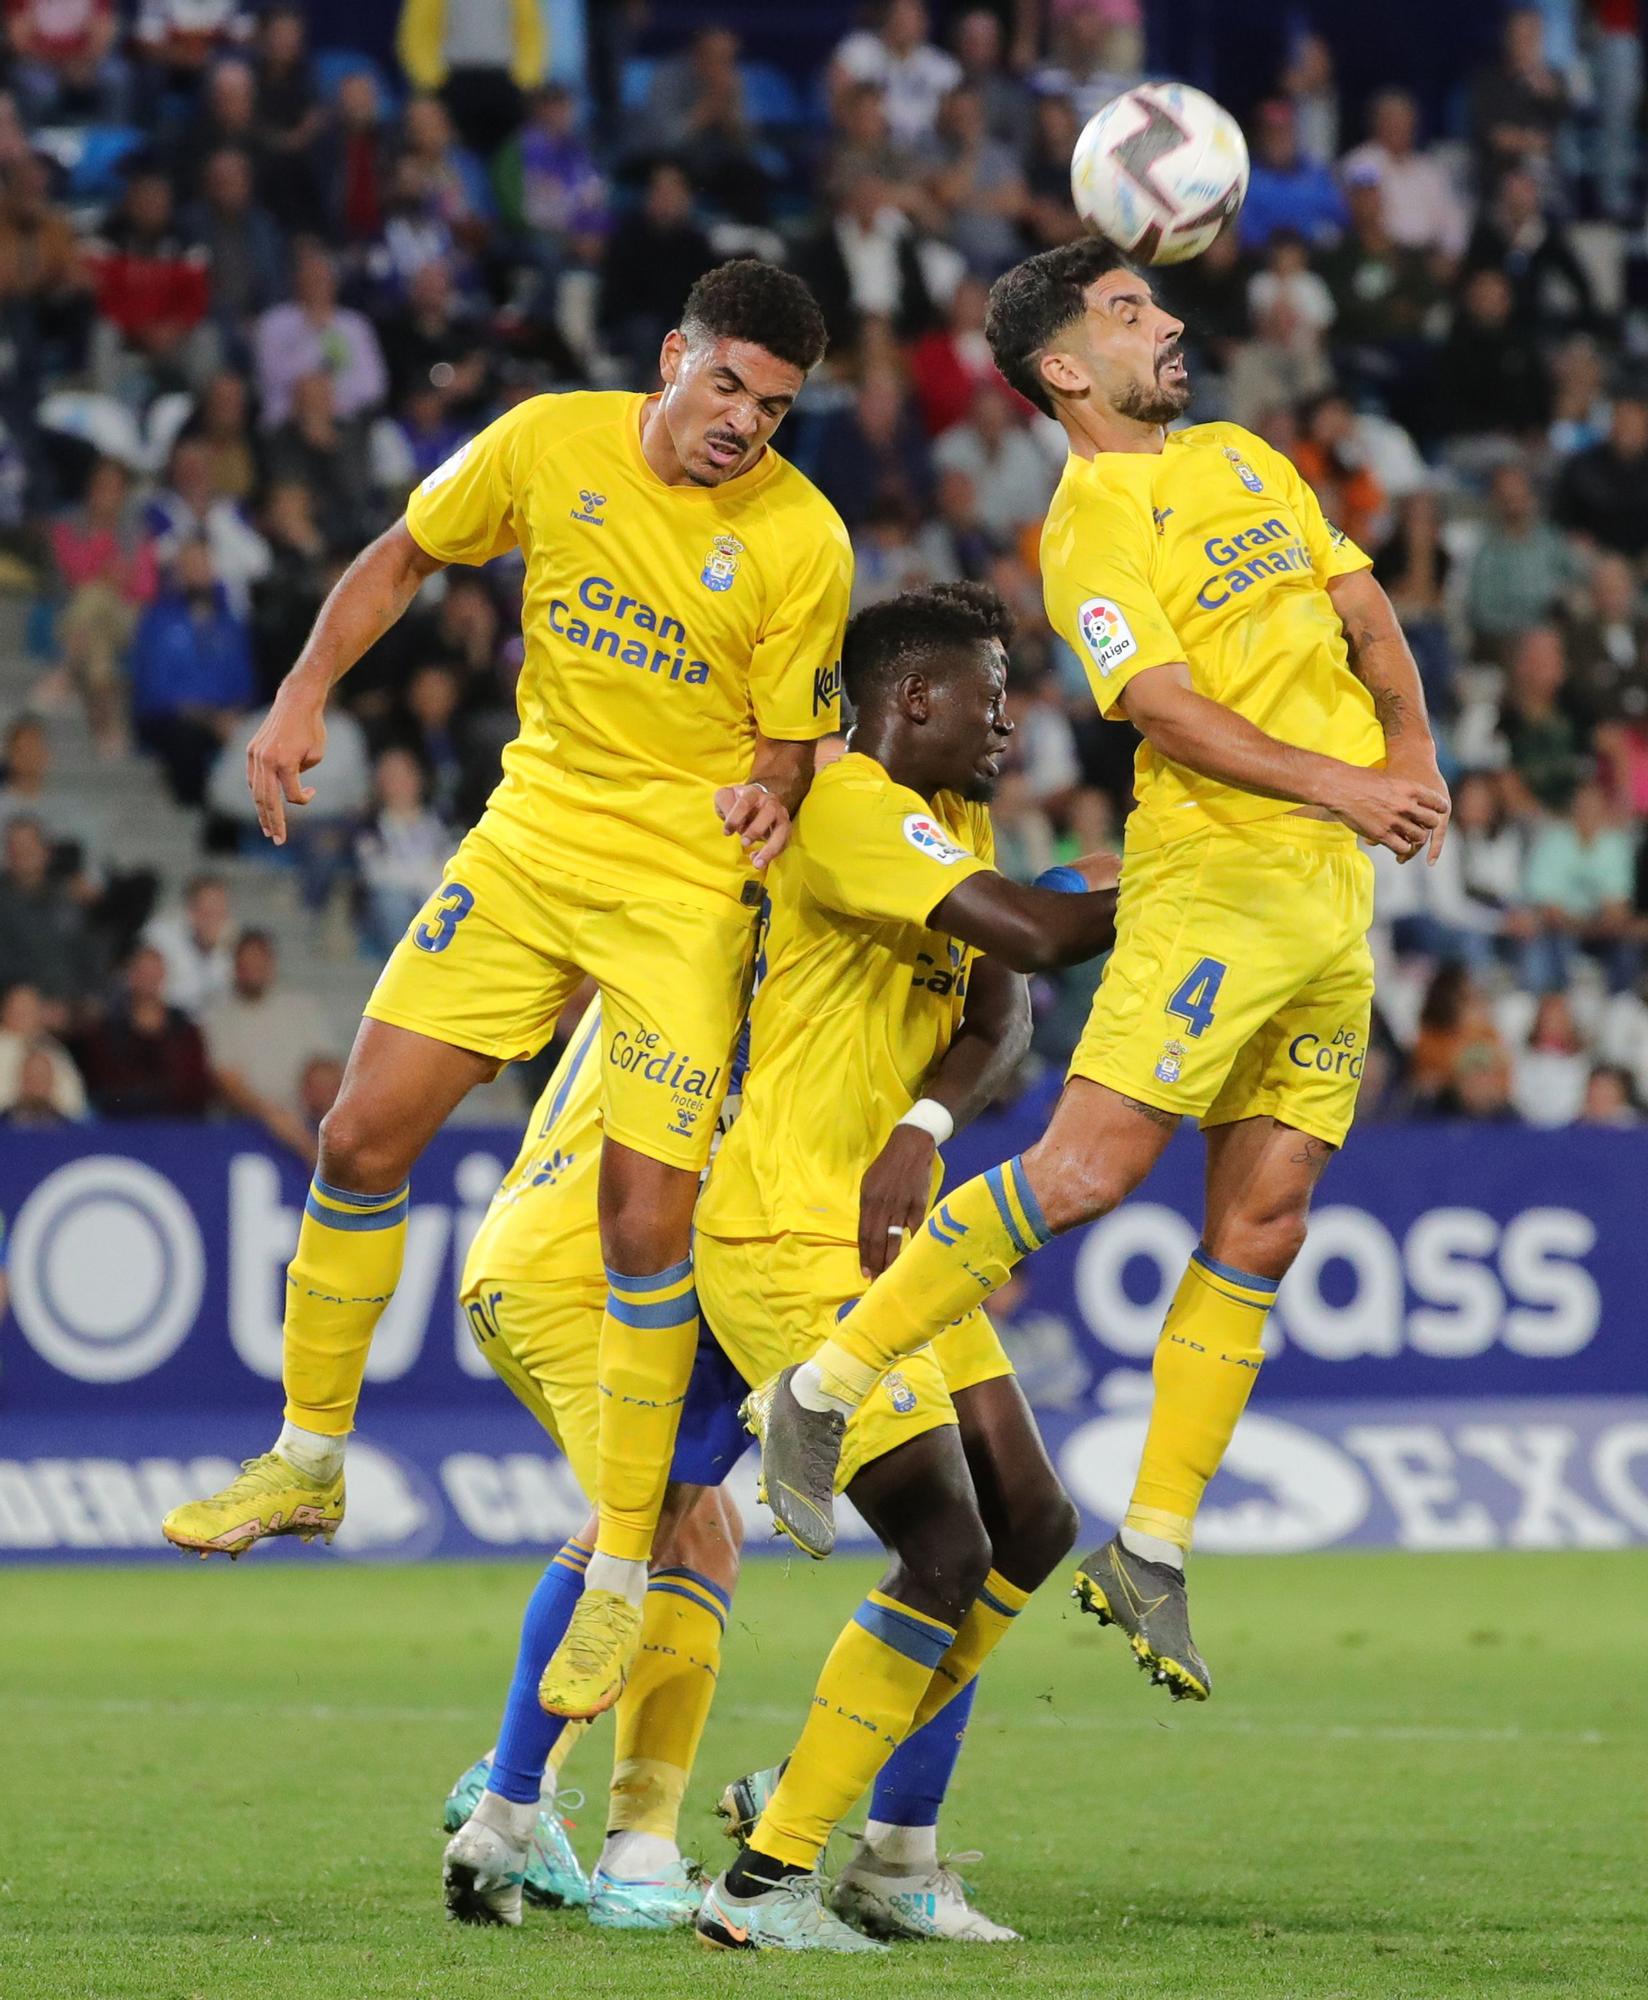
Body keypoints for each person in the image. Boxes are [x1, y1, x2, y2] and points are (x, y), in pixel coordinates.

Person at [160, 264, 853, 1738]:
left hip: (678, 892)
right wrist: (301, 692)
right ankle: (310, 1456)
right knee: (359, 1140)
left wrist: (771, 790)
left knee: (642, 1228)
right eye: (727, 385)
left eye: (776, 408)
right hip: (532, 843)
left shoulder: (803, 539)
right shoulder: (548, 441)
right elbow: (404, 555)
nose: (746, 425)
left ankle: (617, 1571)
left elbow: (795, 749)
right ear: (673, 358)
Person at [753, 239, 1450, 1702]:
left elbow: (1364, 610)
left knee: (1265, 1225)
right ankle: (819, 1391)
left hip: (1327, 906)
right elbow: (1169, 714)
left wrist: (1414, 761)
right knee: (1084, 1176)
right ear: (1064, 366)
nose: (1169, 323)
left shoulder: (1253, 457)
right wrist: (1348, 783)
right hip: (1214, 887)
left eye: (1158, 302)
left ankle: (1156, 1546)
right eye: (1132, 313)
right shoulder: (1090, 522)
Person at [689, 585, 1118, 1949]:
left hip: (882, 1238)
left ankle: (868, 1842)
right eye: (992, 694)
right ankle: (760, 1884)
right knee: (944, 1546)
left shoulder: (959, 824)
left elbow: (1004, 1009)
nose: (1011, 718)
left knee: (1032, 1522)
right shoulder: (860, 807)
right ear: (913, 701)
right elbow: (1047, 936)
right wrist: (1218, 869)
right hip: (779, 1233)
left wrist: (923, 1127)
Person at [442, 970, 1035, 1942]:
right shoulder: (779, 943)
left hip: (520, 1249)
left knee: (679, 1522)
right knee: (670, 1536)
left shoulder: (679, 915)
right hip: (606, 1266)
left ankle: (514, 1796)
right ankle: (596, 1835)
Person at [201, 929, 335, 1159]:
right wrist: (273, 1114)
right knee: (278, 1116)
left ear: (271, 964)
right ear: (235, 967)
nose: (253, 971)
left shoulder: (300, 1006)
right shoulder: (218, 1017)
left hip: (308, 1107)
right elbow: (229, 1082)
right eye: (247, 964)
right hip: (254, 1119)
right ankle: (318, 1159)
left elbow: (327, 1064)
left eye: (259, 963)